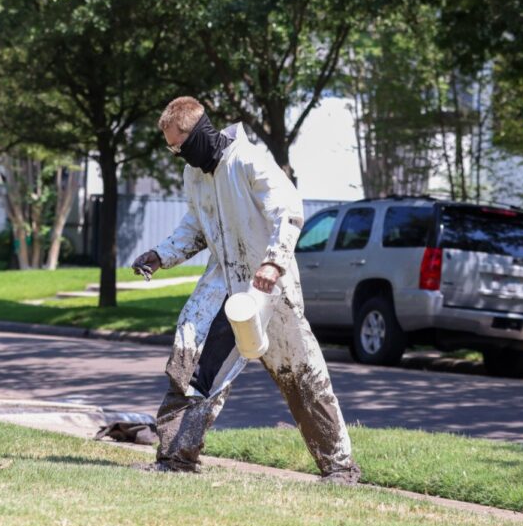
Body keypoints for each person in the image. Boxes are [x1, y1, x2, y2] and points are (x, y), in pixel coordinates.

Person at [131, 96, 361, 484]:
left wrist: (273, 262)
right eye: (171, 149)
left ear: (199, 131)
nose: (178, 155)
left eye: (180, 146)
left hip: (269, 292)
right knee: (191, 367)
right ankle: (176, 458)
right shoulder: (195, 175)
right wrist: (160, 255)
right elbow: (196, 226)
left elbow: (287, 210)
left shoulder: (249, 161)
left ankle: (340, 469)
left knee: (302, 376)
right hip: (224, 288)